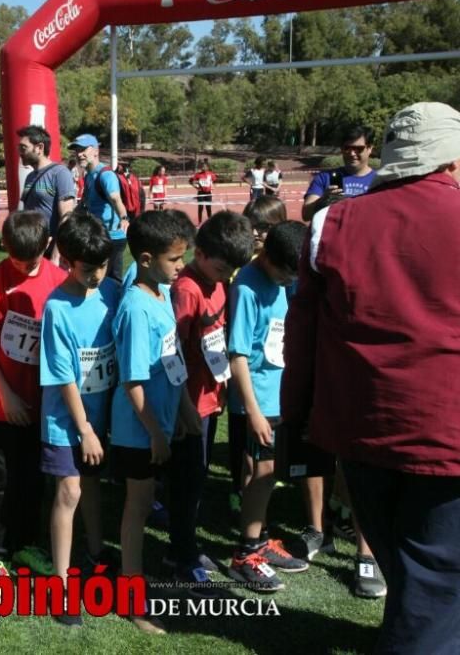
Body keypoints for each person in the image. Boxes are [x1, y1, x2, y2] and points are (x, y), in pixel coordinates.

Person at [284, 103, 460, 652]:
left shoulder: (330, 223)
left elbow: (303, 339)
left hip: (358, 428)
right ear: (451, 160)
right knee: (434, 577)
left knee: (406, 566)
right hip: (446, 433)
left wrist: (298, 421)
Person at [110, 211, 195, 635]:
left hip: (159, 427)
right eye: (174, 259)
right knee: (137, 510)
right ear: (145, 258)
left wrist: (182, 411)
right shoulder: (137, 308)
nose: (182, 266)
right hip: (138, 433)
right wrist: (157, 433)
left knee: (146, 507)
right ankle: (132, 598)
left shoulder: (160, 293)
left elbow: (171, 360)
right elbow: (133, 380)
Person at [166, 212, 254, 589]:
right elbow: (172, 354)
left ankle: (186, 543)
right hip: (189, 405)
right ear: (199, 253)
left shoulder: (219, 281)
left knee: (197, 478)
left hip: (209, 397)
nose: (224, 276)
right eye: (219, 267)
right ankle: (179, 552)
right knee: (186, 483)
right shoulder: (186, 290)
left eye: (229, 271)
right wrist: (184, 408)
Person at [39, 212, 117, 627]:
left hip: (102, 417)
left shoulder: (112, 293)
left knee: (92, 484)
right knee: (68, 492)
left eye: (103, 265)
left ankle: (96, 549)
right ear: (67, 260)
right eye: (89, 268)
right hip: (66, 421)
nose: (97, 274)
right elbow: (63, 376)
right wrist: (84, 428)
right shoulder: (57, 308)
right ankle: (62, 584)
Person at [0, 212, 66, 574]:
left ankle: (27, 544)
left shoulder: (59, 281)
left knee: (33, 477)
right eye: (15, 259)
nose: (22, 267)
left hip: (45, 400)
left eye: (29, 262)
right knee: (2, 477)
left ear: (46, 247)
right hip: (4, 401)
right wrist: (6, 396)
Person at [226, 221, 310, 592]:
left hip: (279, 393)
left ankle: (258, 538)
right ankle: (246, 554)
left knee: (268, 472)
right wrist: (254, 410)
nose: (291, 279)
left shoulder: (280, 280)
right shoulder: (245, 288)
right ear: (269, 259)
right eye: (288, 272)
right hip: (259, 399)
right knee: (262, 473)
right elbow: (238, 355)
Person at [70, 134, 130, 282]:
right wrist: (68, 217)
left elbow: (115, 198)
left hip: (112, 237)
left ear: (96, 151)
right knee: (96, 277)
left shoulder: (106, 175)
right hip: (98, 234)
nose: (79, 154)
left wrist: (124, 217)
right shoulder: (90, 175)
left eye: (83, 149)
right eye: (77, 150)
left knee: (111, 280)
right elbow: (85, 202)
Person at [17, 125, 76, 262]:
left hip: (51, 253)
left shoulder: (60, 173)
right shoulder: (30, 177)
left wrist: (56, 254)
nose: (20, 152)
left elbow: (66, 216)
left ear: (39, 148)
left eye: (23, 148)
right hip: (31, 250)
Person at [301, 126, 377, 222]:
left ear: (369, 148)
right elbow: (306, 215)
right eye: (347, 148)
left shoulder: (379, 180)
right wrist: (324, 200)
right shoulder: (324, 177)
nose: (352, 153)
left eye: (358, 149)